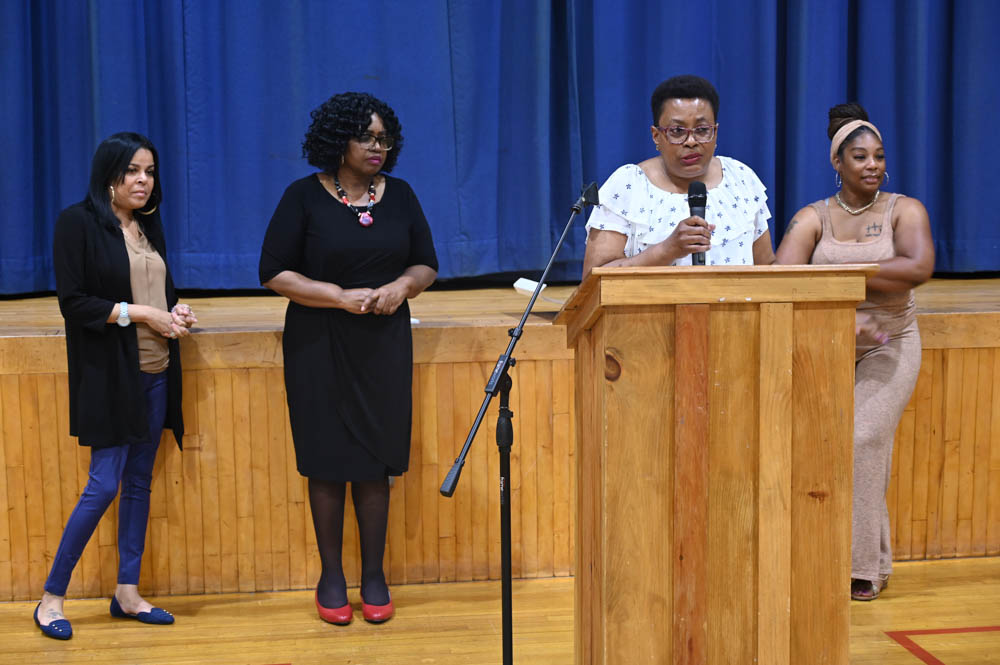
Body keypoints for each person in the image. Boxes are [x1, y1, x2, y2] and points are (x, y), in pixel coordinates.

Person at [259, 92, 437, 625]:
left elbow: (425, 263)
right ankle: (332, 576)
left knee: (374, 463)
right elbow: (273, 271)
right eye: (366, 137)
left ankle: (374, 575)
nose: (377, 147)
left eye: (384, 138)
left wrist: (402, 286)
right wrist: (336, 295)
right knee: (327, 460)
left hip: (383, 343)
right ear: (339, 141)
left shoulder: (401, 195)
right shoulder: (303, 197)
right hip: (319, 342)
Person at [36, 132, 197, 639]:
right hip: (112, 377)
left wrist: (174, 311)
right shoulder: (77, 223)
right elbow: (74, 303)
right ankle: (51, 598)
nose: (143, 180)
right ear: (109, 175)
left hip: (157, 371)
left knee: (139, 482)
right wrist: (144, 313)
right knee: (104, 484)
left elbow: (157, 290)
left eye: (149, 171)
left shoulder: (149, 224)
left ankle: (128, 591)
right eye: (132, 170)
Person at [775, 103, 934, 601]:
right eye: (860, 156)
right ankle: (863, 558)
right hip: (827, 344)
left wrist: (837, 279)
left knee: (862, 438)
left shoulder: (904, 210)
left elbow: (917, 267)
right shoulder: (813, 217)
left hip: (890, 340)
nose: (873, 165)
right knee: (833, 448)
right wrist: (841, 296)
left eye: (879, 156)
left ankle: (860, 567)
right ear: (837, 163)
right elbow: (781, 279)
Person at [582, 75, 776, 275]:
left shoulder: (741, 179)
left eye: (702, 130)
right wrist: (667, 250)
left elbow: (767, 268)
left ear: (715, 132)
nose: (691, 141)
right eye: (677, 131)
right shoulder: (628, 185)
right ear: (656, 135)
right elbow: (594, 278)